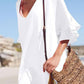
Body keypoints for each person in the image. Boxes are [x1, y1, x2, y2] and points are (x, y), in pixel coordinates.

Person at [16, 0, 80, 84]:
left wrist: (56, 57)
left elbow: (67, 28)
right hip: (27, 69)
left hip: (51, 67)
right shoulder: (18, 4)